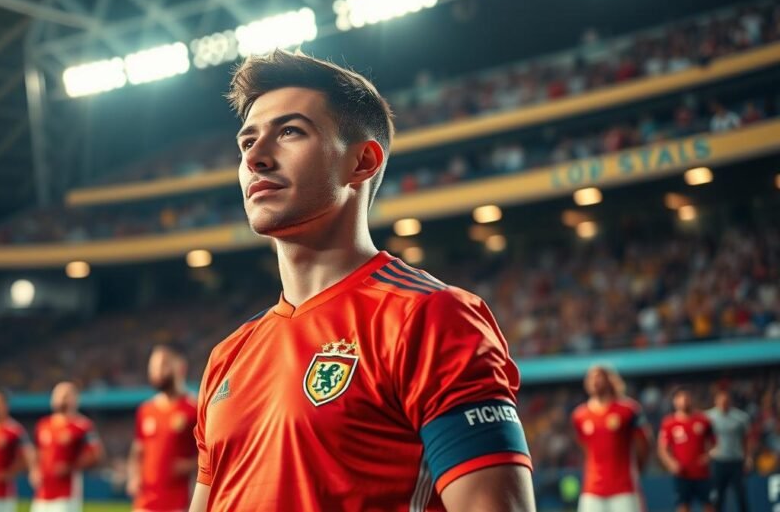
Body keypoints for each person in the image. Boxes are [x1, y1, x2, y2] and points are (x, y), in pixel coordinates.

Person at [189, 50, 534, 512]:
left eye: (290, 131)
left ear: (363, 162)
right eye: (246, 142)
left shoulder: (430, 317)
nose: (256, 157)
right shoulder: (227, 357)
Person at [127, 344, 198, 512]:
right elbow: (138, 450)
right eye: (152, 367)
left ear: (180, 367)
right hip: (144, 502)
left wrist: (189, 465)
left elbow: (209, 454)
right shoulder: (145, 410)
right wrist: (134, 476)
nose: (156, 371)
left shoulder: (194, 408)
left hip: (178, 502)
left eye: (163, 365)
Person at [571, 365, 650, 512]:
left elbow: (643, 445)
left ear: (610, 380)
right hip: (592, 490)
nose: (594, 381)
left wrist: (636, 471)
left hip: (624, 489)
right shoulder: (579, 415)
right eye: (591, 378)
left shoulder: (628, 410)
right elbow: (584, 446)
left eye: (599, 377)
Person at [31, 382, 103, 512]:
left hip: (66, 493)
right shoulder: (43, 425)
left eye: (66, 395)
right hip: (42, 492)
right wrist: (34, 470)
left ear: (75, 399)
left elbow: (96, 454)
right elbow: (37, 451)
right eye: (58, 394)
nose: (61, 398)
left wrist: (71, 466)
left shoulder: (83, 426)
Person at [659, 387, 716, 512]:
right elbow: (662, 448)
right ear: (675, 401)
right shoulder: (669, 423)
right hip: (682, 474)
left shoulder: (703, 420)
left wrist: (708, 456)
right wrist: (671, 463)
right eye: (680, 398)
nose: (684, 401)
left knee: (709, 506)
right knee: (683, 506)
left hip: (702, 473)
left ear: (692, 399)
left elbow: (715, 444)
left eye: (687, 397)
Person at [706, 389, 753, 512]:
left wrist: (748, 457)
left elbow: (746, 440)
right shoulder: (707, 417)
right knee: (717, 497)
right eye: (720, 400)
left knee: (741, 496)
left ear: (730, 401)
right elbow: (702, 437)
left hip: (736, 461)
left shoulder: (741, 417)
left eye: (726, 400)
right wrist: (707, 453)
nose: (723, 403)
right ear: (715, 401)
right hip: (718, 461)